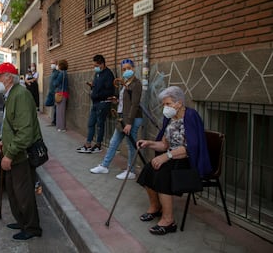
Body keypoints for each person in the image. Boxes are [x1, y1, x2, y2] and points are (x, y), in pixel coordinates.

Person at [136, 86, 212, 235]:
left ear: (179, 103)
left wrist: (166, 156)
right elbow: (165, 144)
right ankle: (155, 207)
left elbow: (192, 147)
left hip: (188, 160)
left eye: (168, 104)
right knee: (147, 171)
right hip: (172, 156)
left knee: (163, 174)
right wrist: (149, 143)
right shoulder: (170, 118)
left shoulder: (191, 116)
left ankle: (169, 220)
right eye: (164, 104)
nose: (165, 107)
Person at [0, 62, 42, 240]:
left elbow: (25, 132)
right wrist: (4, 141)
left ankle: (32, 227)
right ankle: (22, 222)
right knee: (13, 191)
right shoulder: (10, 94)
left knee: (23, 193)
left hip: (20, 155)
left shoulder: (21, 95)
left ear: (8, 78)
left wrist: (10, 154)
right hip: (12, 151)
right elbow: (11, 123)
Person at [90, 59, 143, 179]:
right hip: (122, 117)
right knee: (114, 142)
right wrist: (117, 100)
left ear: (133, 68)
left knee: (131, 145)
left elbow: (135, 105)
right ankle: (104, 166)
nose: (126, 71)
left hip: (131, 119)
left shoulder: (136, 84)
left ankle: (131, 171)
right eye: (123, 69)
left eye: (128, 68)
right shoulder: (126, 82)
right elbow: (127, 102)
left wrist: (129, 123)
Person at [77, 54, 114, 153]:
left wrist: (97, 94)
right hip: (95, 103)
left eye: (96, 66)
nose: (95, 68)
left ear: (102, 64)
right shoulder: (98, 73)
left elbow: (110, 91)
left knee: (100, 124)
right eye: (94, 66)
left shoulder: (108, 74)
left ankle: (98, 145)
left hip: (103, 103)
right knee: (91, 123)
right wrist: (92, 86)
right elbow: (98, 86)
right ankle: (88, 144)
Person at [53, 59, 69, 132]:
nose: (57, 66)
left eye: (58, 64)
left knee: (60, 111)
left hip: (61, 94)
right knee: (61, 111)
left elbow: (55, 83)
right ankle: (60, 127)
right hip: (64, 94)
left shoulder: (61, 74)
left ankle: (61, 127)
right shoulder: (65, 73)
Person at [44, 59, 59, 126]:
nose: (51, 65)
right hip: (51, 91)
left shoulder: (57, 72)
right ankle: (53, 120)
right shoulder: (52, 72)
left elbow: (57, 82)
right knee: (50, 105)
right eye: (51, 63)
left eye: (53, 63)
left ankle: (54, 121)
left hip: (55, 92)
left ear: (56, 64)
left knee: (55, 107)